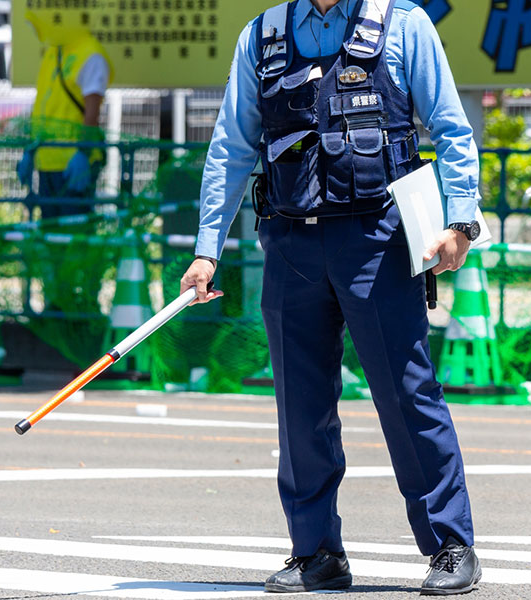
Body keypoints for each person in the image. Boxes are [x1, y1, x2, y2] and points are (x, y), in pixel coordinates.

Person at [179, 0, 482, 595]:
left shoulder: (404, 24)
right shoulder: (261, 35)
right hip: (289, 241)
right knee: (300, 406)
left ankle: (451, 544)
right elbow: (231, 147)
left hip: (378, 241)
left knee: (405, 392)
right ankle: (316, 552)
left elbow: (451, 128)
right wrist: (206, 249)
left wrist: (461, 222)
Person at [18, 16, 113, 220]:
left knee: (74, 237)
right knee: (51, 236)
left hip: (74, 164)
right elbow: (45, 108)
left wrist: (83, 153)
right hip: (47, 161)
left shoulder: (90, 54)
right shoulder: (54, 51)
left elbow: (92, 112)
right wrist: (31, 149)